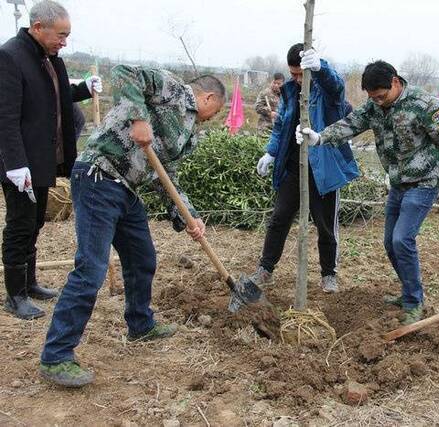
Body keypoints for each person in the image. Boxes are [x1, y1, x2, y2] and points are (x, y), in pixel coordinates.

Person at [39, 65, 226, 387]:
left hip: (125, 188)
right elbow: (125, 73)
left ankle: (140, 324)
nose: (213, 118)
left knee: (143, 259)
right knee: (91, 270)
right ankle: (56, 356)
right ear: (208, 97)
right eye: (216, 110)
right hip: (99, 176)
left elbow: (167, 180)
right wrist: (139, 119)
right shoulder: (173, 90)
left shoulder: (189, 135)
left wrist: (189, 217)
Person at [297, 60, 439, 325]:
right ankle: (408, 291)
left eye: (381, 96)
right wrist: (319, 137)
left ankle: (413, 301)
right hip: (397, 184)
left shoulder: (424, 105)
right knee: (390, 243)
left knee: (401, 240)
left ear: (395, 82)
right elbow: (350, 124)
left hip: (423, 182)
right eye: (373, 98)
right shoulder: (375, 106)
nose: (378, 102)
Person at [0, 0, 100, 320]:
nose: (64, 41)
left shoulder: (49, 57)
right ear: (38, 27)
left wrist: (84, 88)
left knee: (36, 222)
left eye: (67, 35)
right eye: (61, 34)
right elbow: (5, 116)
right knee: (20, 225)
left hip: (42, 159)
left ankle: (29, 284)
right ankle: (14, 295)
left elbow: (53, 97)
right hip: (19, 163)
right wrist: (14, 163)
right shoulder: (10, 57)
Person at [252, 43, 359, 293]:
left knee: (325, 225)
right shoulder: (289, 91)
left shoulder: (327, 92)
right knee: (279, 219)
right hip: (292, 166)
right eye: (293, 74)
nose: (298, 79)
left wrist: (321, 68)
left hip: (323, 168)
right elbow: (281, 126)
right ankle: (265, 268)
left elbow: (337, 86)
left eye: (301, 74)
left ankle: (328, 274)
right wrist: (271, 151)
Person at [255, 72, 285, 137]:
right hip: (265, 129)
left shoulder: (285, 95)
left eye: (278, 83)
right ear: (271, 82)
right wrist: (269, 112)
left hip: (279, 129)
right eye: (274, 83)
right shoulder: (265, 93)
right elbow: (257, 107)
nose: (276, 85)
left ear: (283, 83)